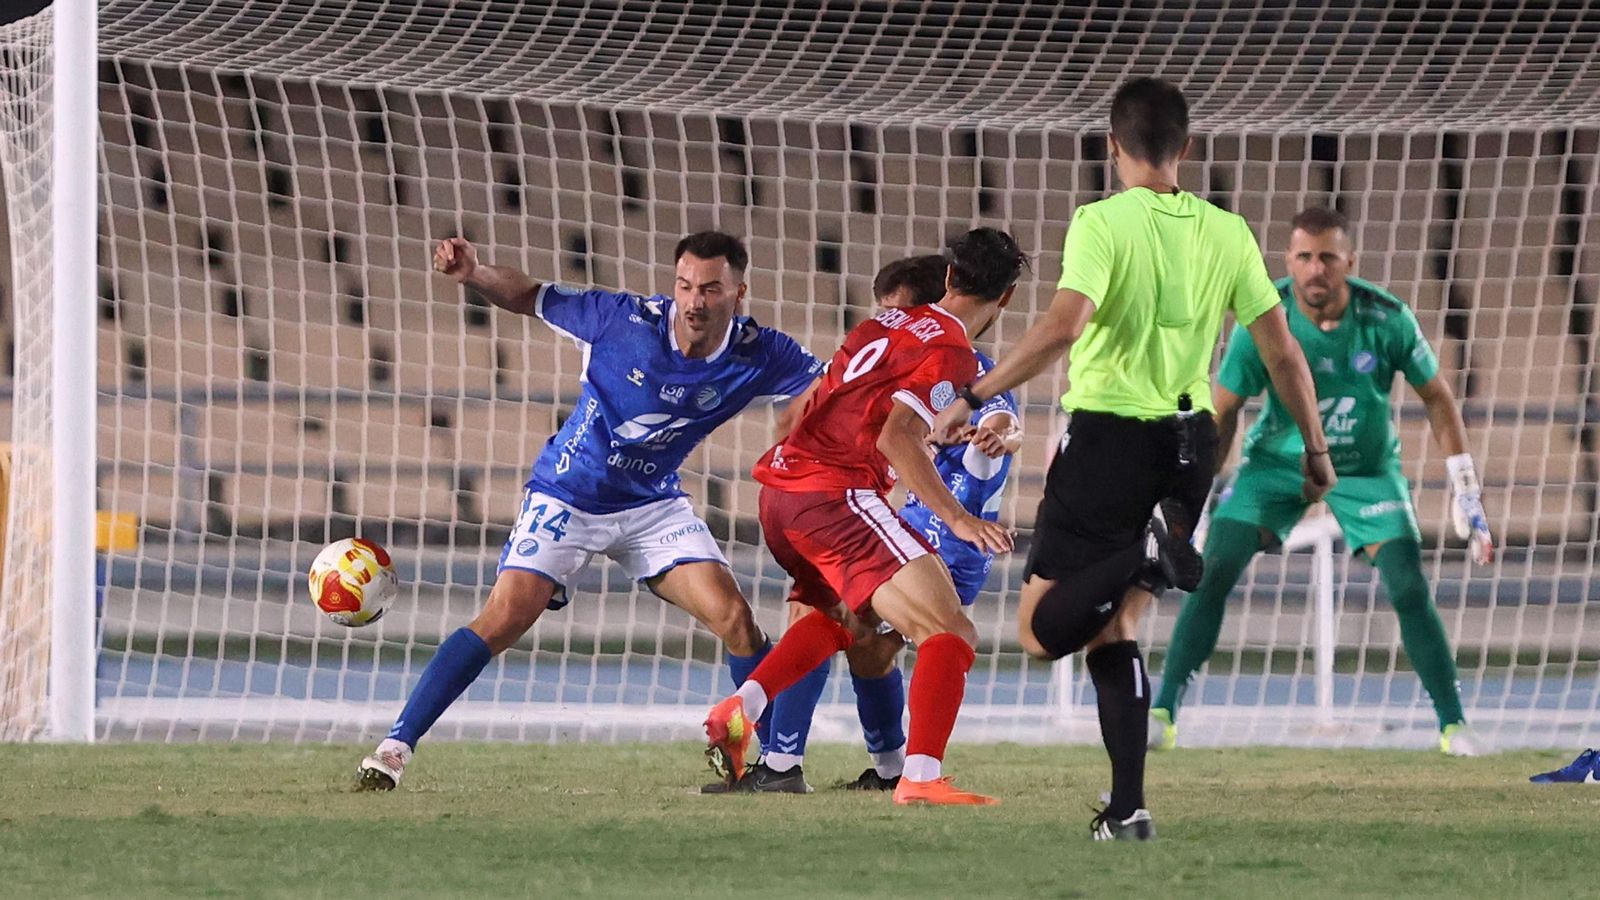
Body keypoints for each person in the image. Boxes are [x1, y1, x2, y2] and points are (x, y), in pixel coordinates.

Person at [930, 77, 1336, 840]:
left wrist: (974, 391)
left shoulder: (1101, 221)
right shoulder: (1229, 232)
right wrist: (1316, 450)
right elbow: (1282, 352)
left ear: (1112, 146)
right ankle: (1128, 809)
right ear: (1185, 149)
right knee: (1116, 632)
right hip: (1190, 451)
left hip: (1110, 441)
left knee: (1039, 633)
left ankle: (1143, 552)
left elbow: (1063, 326)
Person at [356, 231, 823, 789]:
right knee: (504, 618)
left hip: (652, 506)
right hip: (568, 494)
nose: (695, 301)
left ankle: (768, 769)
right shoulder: (619, 320)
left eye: (710, 289)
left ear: (738, 293)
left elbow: (838, 387)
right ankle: (393, 749)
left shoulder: (763, 352)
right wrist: (476, 273)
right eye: (685, 286)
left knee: (736, 621)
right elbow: (530, 295)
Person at [1151, 206, 1494, 756]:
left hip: (1365, 467)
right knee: (1213, 569)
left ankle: (1454, 726)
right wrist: (1196, 493)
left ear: (1349, 262)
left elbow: (1437, 396)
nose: (1316, 269)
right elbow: (1226, 408)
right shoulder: (1265, 316)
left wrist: (1465, 486)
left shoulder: (1387, 318)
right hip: (1278, 465)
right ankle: (1163, 712)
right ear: (1288, 261)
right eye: (1304, 257)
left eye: (1328, 258)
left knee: (1408, 584)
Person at [701, 229, 1022, 806]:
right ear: (1008, 298)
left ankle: (743, 707)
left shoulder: (880, 324)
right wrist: (957, 519)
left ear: (949, 278)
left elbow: (837, 403)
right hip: (836, 497)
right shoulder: (952, 352)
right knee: (950, 631)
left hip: (782, 493)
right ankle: (918, 777)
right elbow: (895, 436)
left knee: (843, 625)